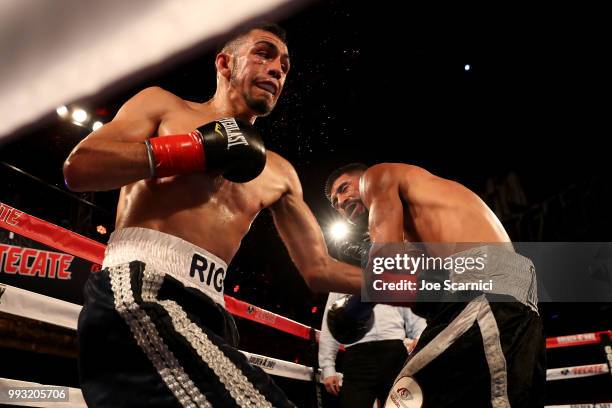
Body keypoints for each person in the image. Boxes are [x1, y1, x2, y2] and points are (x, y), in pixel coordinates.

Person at [63, 23, 361, 408]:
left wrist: (428, 282)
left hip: (211, 315)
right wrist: (194, 149)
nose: (277, 70)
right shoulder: (166, 108)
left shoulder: (280, 173)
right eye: (264, 54)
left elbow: (320, 268)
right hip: (140, 292)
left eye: (285, 65)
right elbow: (80, 167)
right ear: (225, 63)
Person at [325, 163, 545, 407]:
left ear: (361, 178)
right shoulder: (423, 224)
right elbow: (426, 287)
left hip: (485, 293)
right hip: (506, 296)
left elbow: (386, 264)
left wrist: (355, 303)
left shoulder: (376, 177)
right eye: (335, 202)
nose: (341, 201)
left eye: (344, 189)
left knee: (405, 399)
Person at [319, 291, 425, 408]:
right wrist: (327, 367)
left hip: (394, 354)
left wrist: (421, 336)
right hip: (358, 358)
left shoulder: (394, 277)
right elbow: (331, 321)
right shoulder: (343, 277)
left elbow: (413, 313)